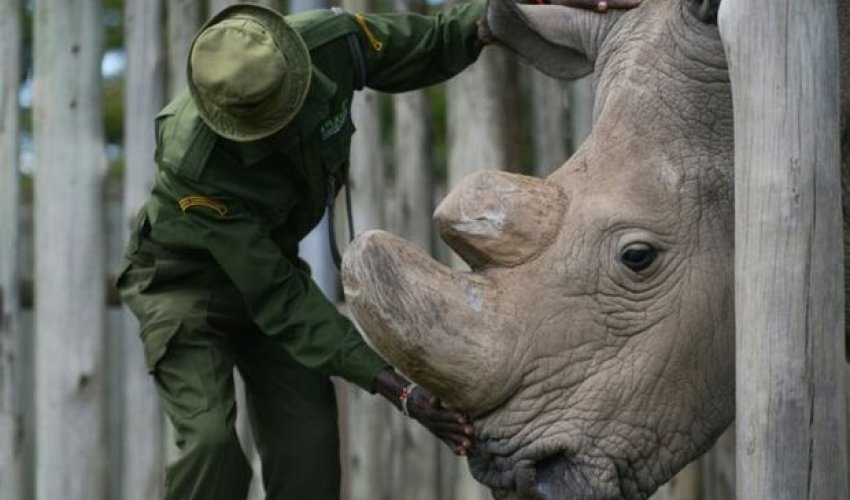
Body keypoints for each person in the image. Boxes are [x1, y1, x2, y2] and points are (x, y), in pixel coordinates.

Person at [117, 2, 488, 500]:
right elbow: (278, 295)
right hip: (184, 288)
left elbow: (431, 39)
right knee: (210, 448)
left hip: (272, 272)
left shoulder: (329, 44)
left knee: (309, 445)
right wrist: (397, 389)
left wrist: (503, 15)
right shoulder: (195, 162)